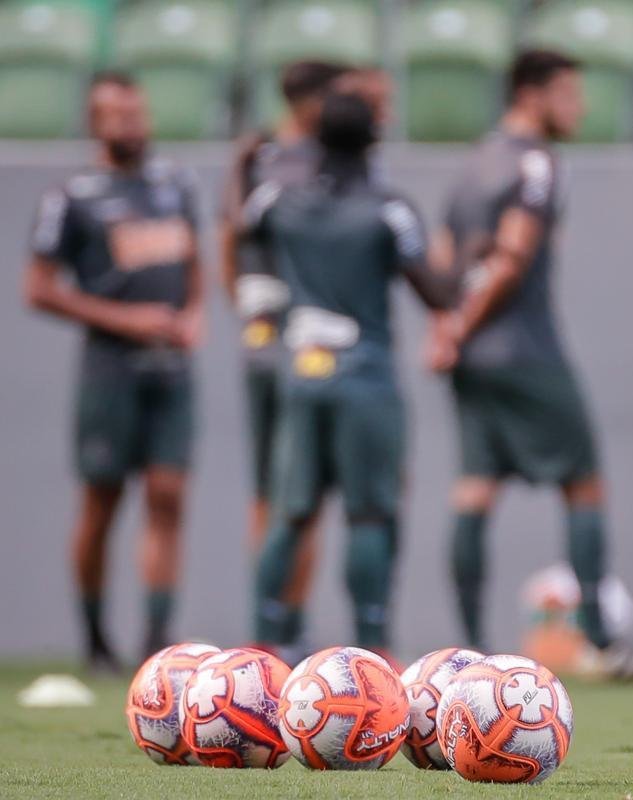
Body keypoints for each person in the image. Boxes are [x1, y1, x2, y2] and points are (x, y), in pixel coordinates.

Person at [425, 50, 622, 666]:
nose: (580, 107)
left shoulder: (473, 162)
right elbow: (511, 256)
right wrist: (462, 324)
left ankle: (469, 642)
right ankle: (598, 637)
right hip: (524, 348)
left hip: (473, 357)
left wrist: (446, 327)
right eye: (569, 93)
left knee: (475, 488)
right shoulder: (537, 162)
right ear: (533, 95)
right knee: (584, 484)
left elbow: (442, 257)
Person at [244, 92, 458, 659]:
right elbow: (437, 291)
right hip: (365, 374)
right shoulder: (389, 209)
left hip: (301, 369)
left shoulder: (279, 199)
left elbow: (244, 230)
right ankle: (372, 645)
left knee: (292, 510)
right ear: (373, 141)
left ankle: (265, 640)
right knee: (369, 513)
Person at [24, 72, 204, 668]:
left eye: (139, 113)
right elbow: (40, 288)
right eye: (118, 115)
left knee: (168, 492)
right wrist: (124, 319)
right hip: (110, 369)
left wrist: (195, 315)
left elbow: (195, 263)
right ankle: (95, 637)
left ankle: (156, 636)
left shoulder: (175, 184)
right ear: (95, 122)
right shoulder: (72, 194)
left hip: (171, 368)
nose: (133, 125)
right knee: (102, 500)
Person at [219, 60, 346, 653]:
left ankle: (267, 633)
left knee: (269, 494)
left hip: (263, 342)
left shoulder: (253, 158)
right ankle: (285, 630)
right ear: (314, 103)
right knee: (303, 495)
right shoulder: (321, 163)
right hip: (309, 348)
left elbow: (228, 236)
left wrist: (247, 317)